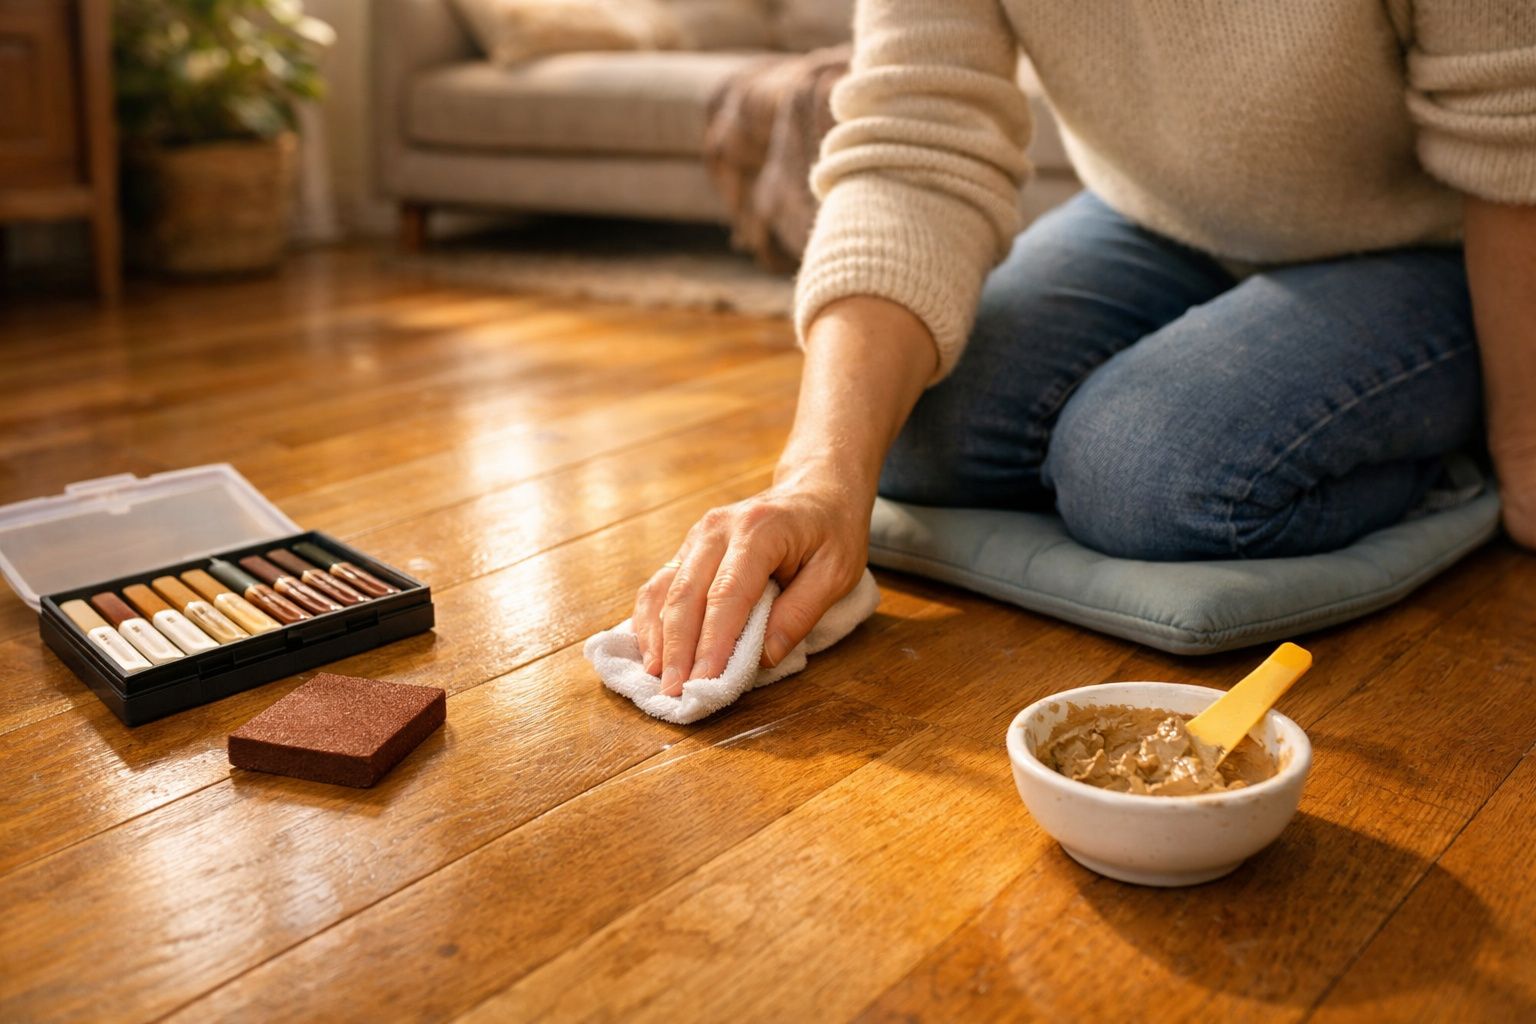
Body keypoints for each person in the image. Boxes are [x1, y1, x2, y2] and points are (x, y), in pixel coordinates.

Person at [633, 1, 1536, 697]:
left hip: (1438, 235)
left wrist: (1524, 448)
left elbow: (1516, 136)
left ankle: (1440, 453)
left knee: (1143, 477)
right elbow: (913, 138)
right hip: (1156, 216)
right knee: (903, 433)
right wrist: (815, 479)